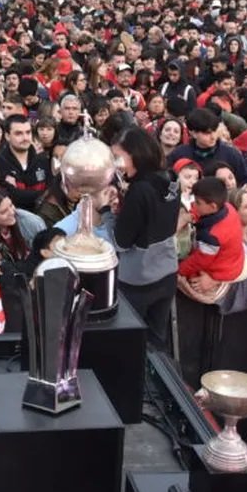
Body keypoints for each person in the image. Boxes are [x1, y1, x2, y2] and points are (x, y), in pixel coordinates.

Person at [111, 128, 179, 352]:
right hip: (167, 272)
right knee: (157, 341)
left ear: (135, 154)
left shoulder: (140, 191)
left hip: (137, 279)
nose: (117, 165)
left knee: (129, 345)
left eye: (119, 157)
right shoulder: (172, 179)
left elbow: (121, 241)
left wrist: (110, 214)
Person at [176, 177, 247, 304]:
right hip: (233, 259)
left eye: (198, 203)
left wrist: (179, 270)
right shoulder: (227, 207)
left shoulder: (212, 236)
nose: (194, 204)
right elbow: (198, 211)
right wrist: (191, 215)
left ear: (212, 206)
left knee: (184, 279)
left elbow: (200, 261)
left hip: (221, 271)